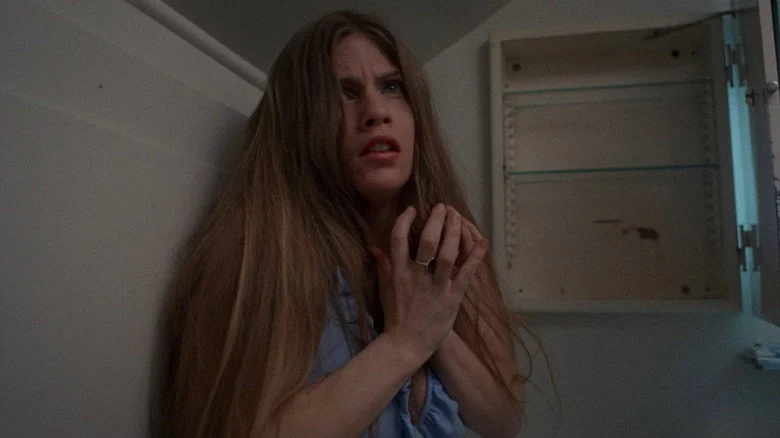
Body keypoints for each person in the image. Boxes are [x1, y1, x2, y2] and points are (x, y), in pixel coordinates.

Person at [158, 10, 536, 438]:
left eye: (392, 87)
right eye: (345, 93)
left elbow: (504, 420)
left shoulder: (448, 243)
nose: (376, 111)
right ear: (302, 123)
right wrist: (405, 342)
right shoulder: (262, 253)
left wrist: (432, 323)